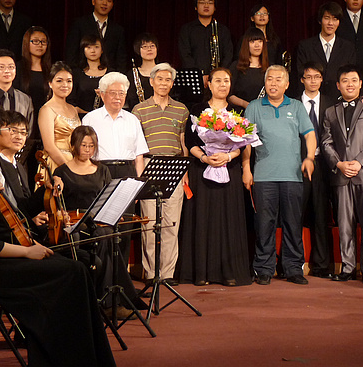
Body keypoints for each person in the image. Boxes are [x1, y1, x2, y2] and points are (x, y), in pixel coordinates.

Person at [0, 118, 116, 367]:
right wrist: (27, 252)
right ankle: (73, 358)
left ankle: (72, 356)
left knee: (75, 270)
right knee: (72, 272)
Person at [53, 125, 146, 317]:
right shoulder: (62, 171)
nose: (87, 150)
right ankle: (108, 302)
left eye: (91, 146)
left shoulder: (102, 170)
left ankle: (106, 299)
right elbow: (57, 203)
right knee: (104, 235)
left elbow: (109, 198)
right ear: (74, 145)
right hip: (75, 224)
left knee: (106, 233)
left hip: (98, 221)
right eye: (83, 145)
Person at [243, 65, 316, 285]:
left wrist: (309, 158)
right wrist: (246, 168)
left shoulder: (296, 106)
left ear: (287, 84)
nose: (273, 83)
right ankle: (263, 268)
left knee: (292, 223)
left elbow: (310, 135)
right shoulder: (254, 107)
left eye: (278, 80)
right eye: (269, 79)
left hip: (292, 176)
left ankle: (293, 268)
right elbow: (245, 141)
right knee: (264, 224)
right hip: (263, 176)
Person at [179, 67, 251, 286]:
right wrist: (204, 158)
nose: (223, 84)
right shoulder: (197, 110)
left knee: (227, 219)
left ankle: (228, 272)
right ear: (209, 84)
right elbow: (190, 142)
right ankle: (201, 272)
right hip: (201, 169)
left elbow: (243, 143)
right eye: (218, 81)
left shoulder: (237, 112)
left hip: (229, 169)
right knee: (203, 218)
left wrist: (228, 156)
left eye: (226, 81)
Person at [321, 65, 363, 284]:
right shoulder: (331, 111)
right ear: (338, 85)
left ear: (360, 84)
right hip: (341, 175)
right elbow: (326, 141)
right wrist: (339, 164)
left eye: (354, 80)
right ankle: (347, 268)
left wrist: (359, 162)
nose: (350, 84)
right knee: (344, 225)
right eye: (345, 81)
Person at [82, 72, 149, 262]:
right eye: (113, 93)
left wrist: (139, 184)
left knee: (125, 227)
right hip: (100, 171)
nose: (118, 97)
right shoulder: (90, 119)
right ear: (102, 94)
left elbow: (139, 156)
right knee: (101, 226)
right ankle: (102, 273)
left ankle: (122, 276)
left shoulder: (132, 119)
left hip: (127, 172)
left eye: (122, 93)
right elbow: (84, 153)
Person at [131, 63, 189, 285]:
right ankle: (150, 273)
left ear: (172, 83)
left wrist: (185, 172)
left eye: (168, 80)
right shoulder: (139, 109)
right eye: (160, 79)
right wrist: (139, 176)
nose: (164, 83)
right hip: (149, 165)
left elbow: (183, 143)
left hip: (175, 166)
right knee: (149, 223)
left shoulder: (181, 109)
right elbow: (136, 146)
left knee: (171, 222)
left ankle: (167, 273)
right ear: (151, 81)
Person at [298, 61, 334, 278]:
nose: (313, 81)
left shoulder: (331, 103)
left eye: (317, 77)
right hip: (298, 163)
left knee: (321, 215)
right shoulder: (292, 103)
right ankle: (292, 264)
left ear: (322, 79)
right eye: (308, 77)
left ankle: (322, 266)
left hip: (323, 165)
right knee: (295, 215)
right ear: (302, 80)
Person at [295, 2, 356, 99]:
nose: (330, 23)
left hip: (339, 99)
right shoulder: (305, 46)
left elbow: (352, 74)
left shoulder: (348, 47)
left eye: (335, 19)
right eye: (327, 18)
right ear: (320, 20)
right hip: (313, 99)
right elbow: (300, 75)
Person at [178, 0, 233, 85]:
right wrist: (198, 75)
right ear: (196, 7)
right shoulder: (187, 29)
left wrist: (217, 75)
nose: (206, 5)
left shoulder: (223, 30)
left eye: (210, 3)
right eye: (202, 2)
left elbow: (228, 54)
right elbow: (185, 55)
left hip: (218, 81)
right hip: (193, 79)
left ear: (215, 7)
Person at [65, 0, 126, 71]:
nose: (104, 3)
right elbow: (71, 53)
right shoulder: (79, 24)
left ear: (112, 4)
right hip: (83, 73)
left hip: (110, 75)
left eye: (109, 0)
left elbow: (121, 59)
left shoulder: (118, 29)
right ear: (93, 1)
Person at [38, 62, 80, 179]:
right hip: (55, 164)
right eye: (59, 81)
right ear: (50, 83)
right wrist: (68, 170)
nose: (65, 85)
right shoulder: (46, 109)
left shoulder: (73, 109)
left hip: (75, 163)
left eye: (69, 81)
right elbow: (49, 146)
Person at [228, 27, 269, 109]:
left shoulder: (270, 68)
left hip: (264, 111)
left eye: (260, 41)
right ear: (246, 44)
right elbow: (229, 95)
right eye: (252, 41)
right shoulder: (236, 66)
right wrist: (245, 104)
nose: (257, 45)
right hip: (240, 112)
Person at [14, 26, 52, 115]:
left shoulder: (51, 69)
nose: (40, 45)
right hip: (22, 115)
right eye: (35, 41)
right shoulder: (17, 68)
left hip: (46, 115)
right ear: (27, 43)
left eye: (43, 41)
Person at [69, 34, 108, 115]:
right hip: (80, 117)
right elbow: (70, 101)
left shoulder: (111, 74)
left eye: (96, 47)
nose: (93, 51)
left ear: (102, 50)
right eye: (88, 47)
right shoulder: (76, 73)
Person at [125, 32, 157, 110]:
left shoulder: (164, 71)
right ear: (138, 50)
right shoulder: (131, 74)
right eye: (145, 46)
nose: (149, 49)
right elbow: (131, 100)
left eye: (152, 46)